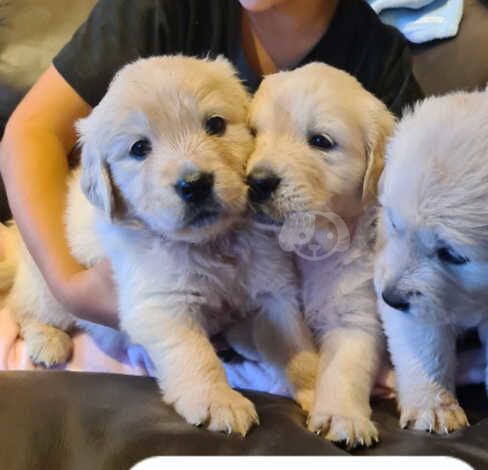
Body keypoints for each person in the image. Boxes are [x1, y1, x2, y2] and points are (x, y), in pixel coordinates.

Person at [0, 0, 422, 328]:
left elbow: (411, 204)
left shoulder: (376, 57)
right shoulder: (162, 8)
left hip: (281, 304)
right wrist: (70, 289)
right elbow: (33, 130)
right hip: (158, 288)